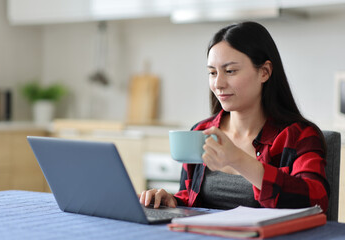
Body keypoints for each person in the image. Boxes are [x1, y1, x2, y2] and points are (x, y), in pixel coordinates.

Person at [139, 21, 329, 212]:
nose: (218, 83)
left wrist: (238, 159)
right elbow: (192, 198)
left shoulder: (298, 136)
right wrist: (171, 200)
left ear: (264, 72)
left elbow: (316, 200)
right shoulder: (200, 131)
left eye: (230, 71)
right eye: (212, 73)